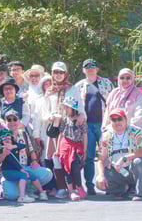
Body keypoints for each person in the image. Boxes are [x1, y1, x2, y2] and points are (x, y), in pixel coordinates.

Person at [0, 110, 52, 203]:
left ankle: (28, 191)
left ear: (19, 121)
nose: (12, 122)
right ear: (5, 122)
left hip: (24, 168)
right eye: (9, 120)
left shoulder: (24, 134)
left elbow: (31, 150)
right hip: (9, 171)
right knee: (12, 196)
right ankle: (13, 192)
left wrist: (34, 161)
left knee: (47, 173)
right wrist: (3, 154)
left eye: (15, 119)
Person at [74, 58, 114, 196]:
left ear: (97, 69)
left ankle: (109, 184)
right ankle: (90, 185)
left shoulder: (106, 83)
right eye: (87, 67)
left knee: (107, 155)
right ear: (83, 70)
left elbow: (113, 102)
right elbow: (74, 106)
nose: (90, 69)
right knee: (89, 157)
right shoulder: (79, 86)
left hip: (104, 124)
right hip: (87, 126)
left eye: (92, 66)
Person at [41, 61, 80, 198]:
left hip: (68, 129)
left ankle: (74, 188)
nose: (58, 75)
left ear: (65, 74)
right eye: (55, 72)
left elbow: (79, 107)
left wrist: (80, 116)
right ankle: (61, 187)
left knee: (69, 158)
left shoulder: (72, 89)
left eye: (61, 72)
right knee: (55, 157)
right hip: (54, 128)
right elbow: (44, 112)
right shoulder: (49, 91)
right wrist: (50, 116)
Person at [96, 108, 142, 201]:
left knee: (141, 162)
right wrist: (101, 175)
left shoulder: (136, 131)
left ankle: (138, 192)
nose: (117, 122)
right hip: (116, 170)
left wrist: (124, 159)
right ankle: (124, 189)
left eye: (119, 119)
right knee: (99, 182)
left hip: (132, 168)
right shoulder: (106, 136)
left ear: (125, 119)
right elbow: (100, 159)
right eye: (114, 120)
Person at [56, 96, 88, 200]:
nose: (65, 109)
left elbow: (84, 135)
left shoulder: (81, 120)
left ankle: (79, 186)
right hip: (65, 146)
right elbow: (61, 134)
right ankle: (71, 191)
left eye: (67, 107)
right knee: (67, 168)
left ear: (73, 108)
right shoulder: (65, 120)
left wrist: (85, 150)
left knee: (75, 167)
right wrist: (57, 149)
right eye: (65, 107)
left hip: (77, 146)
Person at [104, 68, 142, 133]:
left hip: (133, 131)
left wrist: (128, 127)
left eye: (128, 78)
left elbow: (139, 113)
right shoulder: (114, 93)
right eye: (122, 78)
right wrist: (105, 127)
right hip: (115, 131)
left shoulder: (138, 93)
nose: (125, 80)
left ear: (132, 79)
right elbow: (107, 113)